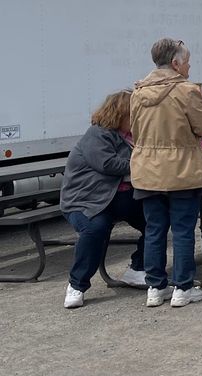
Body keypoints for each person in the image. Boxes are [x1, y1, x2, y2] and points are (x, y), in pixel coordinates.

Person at [130, 38, 202, 308]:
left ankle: (155, 287)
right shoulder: (187, 91)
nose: (189, 66)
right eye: (187, 62)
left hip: (146, 169)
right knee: (182, 230)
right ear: (176, 64)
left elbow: (134, 131)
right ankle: (183, 287)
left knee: (154, 230)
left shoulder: (138, 92)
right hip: (181, 169)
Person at [60, 90, 146, 309]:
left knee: (157, 217)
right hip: (85, 201)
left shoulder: (130, 136)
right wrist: (145, 164)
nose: (137, 120)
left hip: (116, 197)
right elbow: (108, 164)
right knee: (95, 229)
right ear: (120, 114)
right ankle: (77, 284)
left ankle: (138, 268)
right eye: (132, 115)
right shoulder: (97, 134)